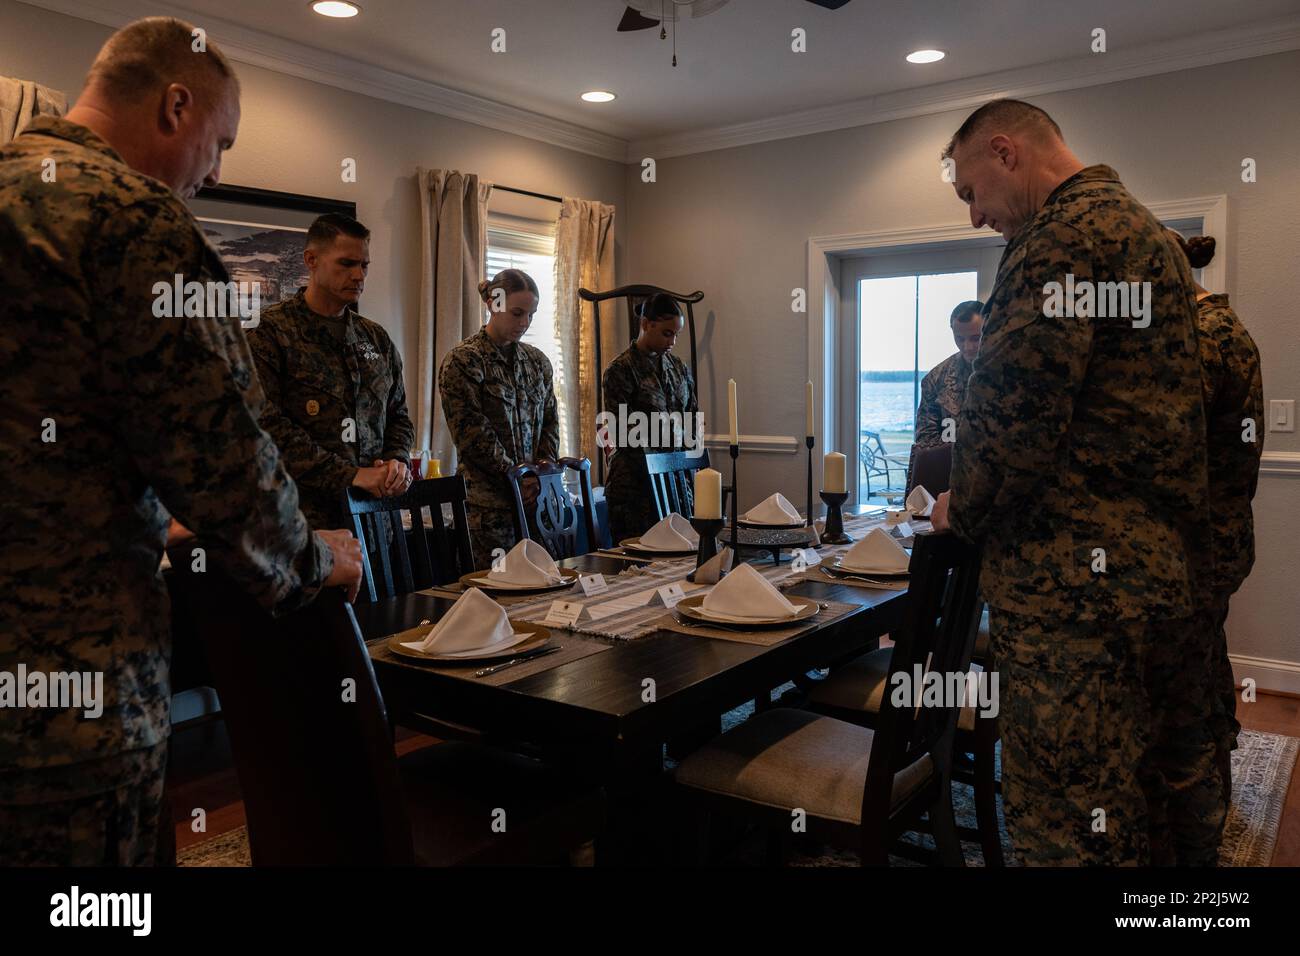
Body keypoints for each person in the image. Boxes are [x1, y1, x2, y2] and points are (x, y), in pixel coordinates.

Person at [0, 17, 361, 866]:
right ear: (174, 105)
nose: (215, 171)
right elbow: (224, 458)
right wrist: (316, 561)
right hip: (67, 696)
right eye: (220, 141)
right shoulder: (134, 220)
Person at [928, 98, 1217, 865]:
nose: (975, 216)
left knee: (1065, 816)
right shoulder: (1151, 237)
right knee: (1134, 793)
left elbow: (1012, 414)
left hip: (1071, 593)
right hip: (1154, 577)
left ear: (1005, 151)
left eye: (970, 193)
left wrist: (962, 505)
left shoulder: (1055, 238)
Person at [1169, 230, 1265, 810]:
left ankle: (1200, 808)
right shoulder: (1223, 326)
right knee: (1205, 662)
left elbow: (1169, 444)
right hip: (1220, 536)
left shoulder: (1201, 336)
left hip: (1200, 542)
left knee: (1189, 684)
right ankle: (1214, 789)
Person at [248, 213, 415, 529]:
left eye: (364, 265)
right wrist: (350, 476)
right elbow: (265, 427)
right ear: (311, 260)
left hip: (376, 520)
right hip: (303, 522)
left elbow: (398, 415)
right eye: (346, 264)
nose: (358, 275)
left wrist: (397, 463)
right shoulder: (271, 333)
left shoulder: (376, 338)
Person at [438, 269, 559, 569]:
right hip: (489, 509)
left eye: (531, 315)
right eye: (517, 313)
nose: (524, 323)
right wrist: (517, 478)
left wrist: (540, 475)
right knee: (494, 599)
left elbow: (550, 424)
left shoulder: (537, 362)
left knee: (547, 595)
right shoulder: (464, 361)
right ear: (494, 305)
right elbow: (473, 436)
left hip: (536, 503)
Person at [602, 293, 699, 543]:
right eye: (667, 333)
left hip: (676, 483)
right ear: (646, 324)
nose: (673, 341)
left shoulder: (678, 368)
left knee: (682, 557)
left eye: (677, 334)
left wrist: (691, 470)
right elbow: (624, 434)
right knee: (638, 568)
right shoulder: (620, 370)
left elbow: (691, 421)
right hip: (635, 488)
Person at [908, 299, 984, 489]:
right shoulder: (936, 378)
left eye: (976, 338)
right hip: (948, 480)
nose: (968, 346)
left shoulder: (1008, 374)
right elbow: (926, 442)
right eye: (960, 339)